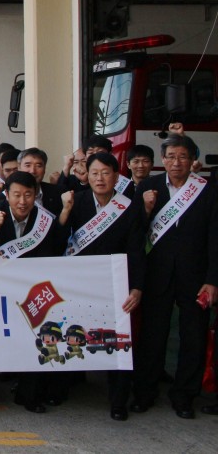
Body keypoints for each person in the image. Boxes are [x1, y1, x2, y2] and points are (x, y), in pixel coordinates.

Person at [130, 134, 218, 420]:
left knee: (192, 336)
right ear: (163, 160)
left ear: (193, 160)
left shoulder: (207, 190)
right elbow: (135, 232)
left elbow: (215, 238)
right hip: (158, 275)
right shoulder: (149, 187)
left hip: (196, 276)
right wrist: (144, 209)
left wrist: (212, 279)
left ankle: (184, 395)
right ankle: (145, 392)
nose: (176, 162)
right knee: (153, 335)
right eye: (170, 156)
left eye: (183, 156)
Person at [0, 171, 69, 413]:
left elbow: (57, 250)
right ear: (7, 194)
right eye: (17, 195)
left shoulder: (43, 219)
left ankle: (29, 396)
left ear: (36, 195)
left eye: (28, 195)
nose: (23, 201)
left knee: (33, 339)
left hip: (31, 290)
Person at [64, 153, 145, 421]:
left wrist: (136, 287)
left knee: (116, 339)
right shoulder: (77, 202)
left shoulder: (129, 207)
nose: (100, 178)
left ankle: (118, 400)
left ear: (116, 175)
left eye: (106, 173)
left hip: (115, 283)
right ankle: (62, 388)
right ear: (87, 174)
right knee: (72, 334)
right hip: (80, 283)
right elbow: (60, 241)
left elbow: (136, 251)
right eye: (94, 173)